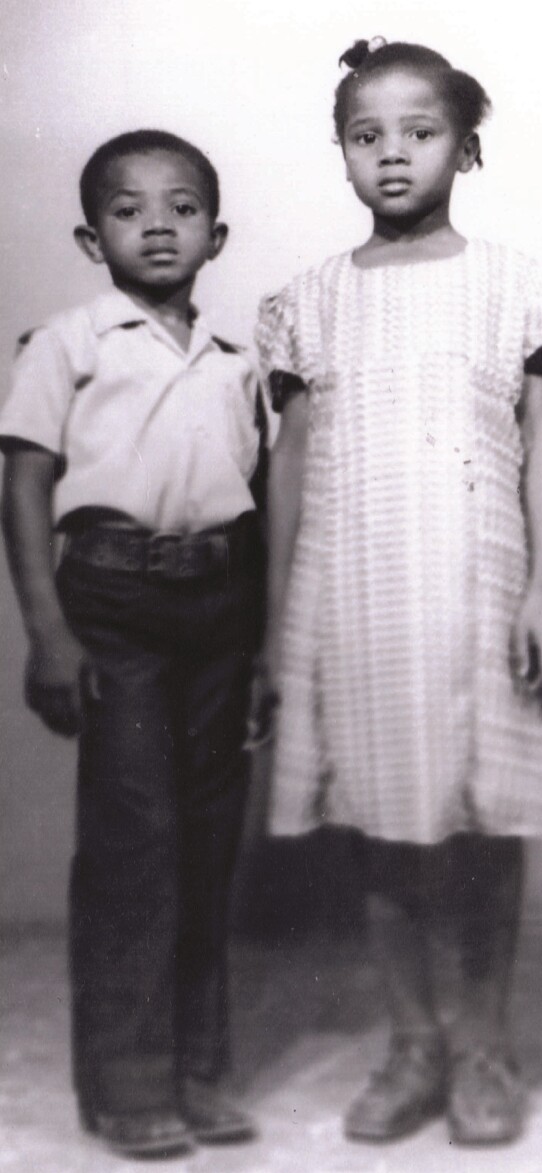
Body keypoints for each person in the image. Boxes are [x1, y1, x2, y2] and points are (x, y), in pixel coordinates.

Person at [254, 37, 542, 1147]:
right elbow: (289, 467)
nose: (392, 154)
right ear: (341, 152)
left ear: (467, 147)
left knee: (484, 830)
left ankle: (484, 1041)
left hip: (480, 594)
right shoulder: (306, 301)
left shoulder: (518, 284)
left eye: (420, 131)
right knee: (383, 832)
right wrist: (271, 633)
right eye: (365, 134)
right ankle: (413, 1040)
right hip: (353, 598)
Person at [0, 130, 266, 1159]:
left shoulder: (238, 363)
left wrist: (260, 647)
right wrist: (48, 633)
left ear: (216, 233)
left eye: (182, 206)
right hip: (111, 601)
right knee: (132, 847)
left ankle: (198, 1072)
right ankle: (128, 1083)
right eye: (128, 207)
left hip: (219, 604)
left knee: (204, 846)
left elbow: (254, 514)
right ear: (88, 233)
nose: (158, 223)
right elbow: (23, 484)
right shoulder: (68, 342)